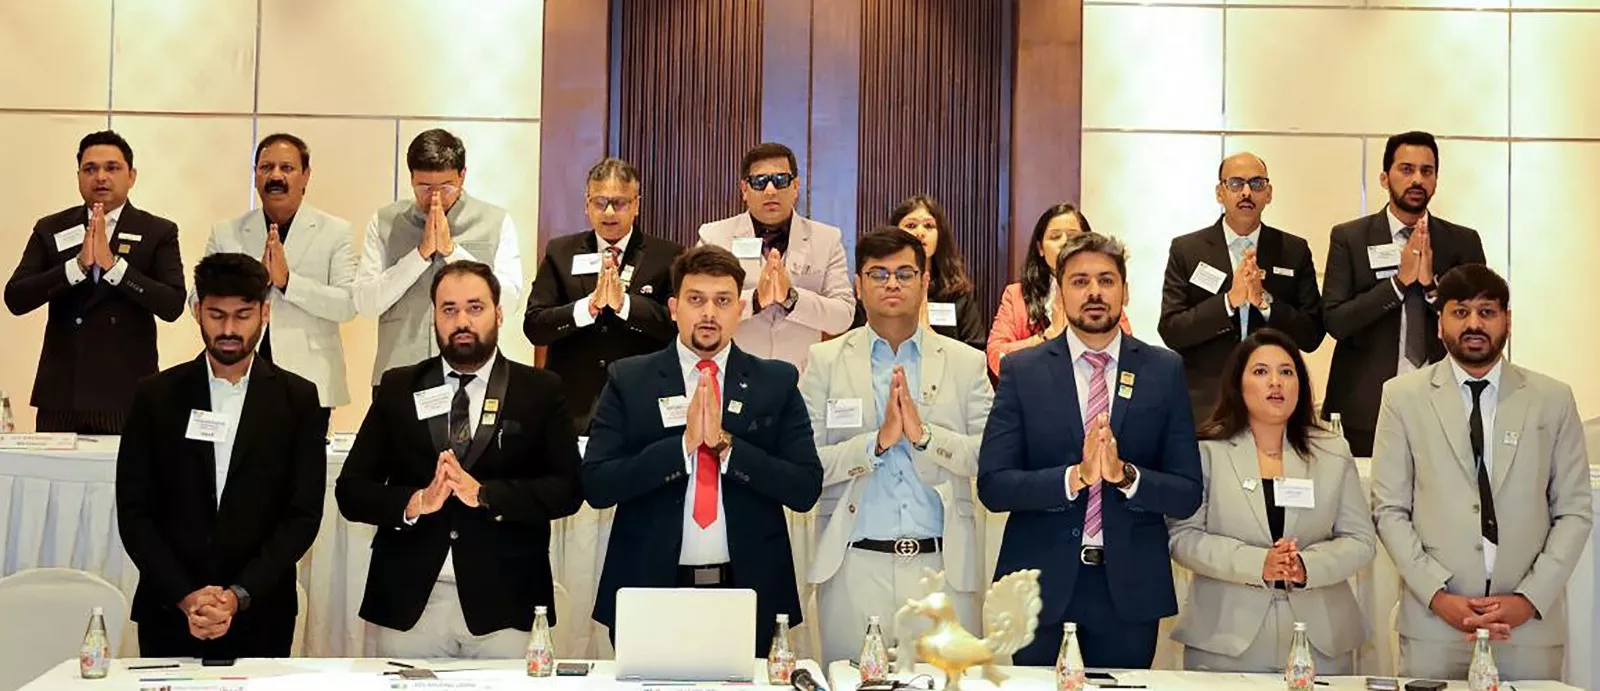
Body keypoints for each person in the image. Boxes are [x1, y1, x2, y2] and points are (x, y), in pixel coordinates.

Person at [336, 261, 583, 659]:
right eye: (449, 309)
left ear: (498, 313)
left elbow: (568, 490)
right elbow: (351, 491)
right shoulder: (399, 386)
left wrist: (485, 495)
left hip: (506, 600)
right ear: (434, 316)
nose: (462, 321)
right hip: (411, 601)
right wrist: (416, 502)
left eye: (475, 307)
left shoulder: (539, 389)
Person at [977, 231, 1201, 669]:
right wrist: (1074, 477)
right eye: (1080, 281)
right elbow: (994, 485)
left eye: (1106, 280)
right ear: (1060, 294)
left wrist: (1126, 477)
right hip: (1038, 590)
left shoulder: (1163, 370)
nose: (1094, 292)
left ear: (1125, 291)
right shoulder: (1023, 370)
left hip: (1129, 592)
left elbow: (1187, 492)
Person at [583, 245, 822, 656]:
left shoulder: (775, 382)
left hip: (749, 592)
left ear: (741, 310)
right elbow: (597, 484)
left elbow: (805, 488)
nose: (709, 313)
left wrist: (726, 447)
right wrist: (682, 447)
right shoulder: (630, 379)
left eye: (722, 301)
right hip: (649, 589)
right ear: (674, 308)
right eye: (696, 300)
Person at [1371, 264, 1592, 681]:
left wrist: (1529, 598)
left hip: (1526, 628)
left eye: (1487, 312)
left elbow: (1574, 511)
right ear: (1440, 324)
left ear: (1507, 320)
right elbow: (1389, 509)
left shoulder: (1552, 399)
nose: (1474, 324)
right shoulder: (1402, 398)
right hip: (1435, 626)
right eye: (1460, 312)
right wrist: (1438, 596)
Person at [116, 253, 327, 658]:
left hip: (261, 610)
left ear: (265, 312)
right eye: (216, 315)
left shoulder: (298, 398)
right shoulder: (155, 396)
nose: (229, 329)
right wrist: (186, 596)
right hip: (170, 610)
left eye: (242, 315)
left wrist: (237, 596)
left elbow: (302, 516)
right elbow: (135, 511)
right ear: (197, 311)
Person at [800, 228, 992, 663]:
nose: (892, 284)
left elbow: (988, 457)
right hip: (853, 566)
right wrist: (876, 443)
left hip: (941, 567)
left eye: (905, 274)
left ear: (925, 282)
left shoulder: (966, 363)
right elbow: (807, 464)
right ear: (858, 284)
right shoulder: (824, 361)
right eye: (878, 274)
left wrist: (925, 438)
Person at [1168, 328, 1374, 673]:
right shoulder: (1206, 451)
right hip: (1225, 640)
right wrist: (1258, 563)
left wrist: (1306, 566)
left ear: (1300, 385)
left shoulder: (1332, 450)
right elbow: (1183, 537)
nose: (1275, 382)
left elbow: (1361, 541)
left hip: (1320, 642)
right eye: (1261, 371)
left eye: (1286, 372)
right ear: (1238, 384)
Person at [4, 130, 185, 433]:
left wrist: (114, 268)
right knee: (51, 467)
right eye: (90, 169)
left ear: (132, 176)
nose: (100, 177)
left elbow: (172, 304)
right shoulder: (51, 228)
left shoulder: (157, 231)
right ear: (78, 176)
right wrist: (75, 268)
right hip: (62, 395)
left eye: (112, 168)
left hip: (126, 393)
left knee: (125, 467)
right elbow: (16, 297)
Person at [1322, 131, 1486, 456]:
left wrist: (1431, 287)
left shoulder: (1462, 242)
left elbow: (1478, 322)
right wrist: (1397, 284)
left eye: (1427, 171)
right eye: (1406, 169)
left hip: (1446, 405)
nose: (1417, 180)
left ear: (1436, 179)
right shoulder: (1350, 238)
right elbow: (1336, 321)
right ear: (1385, 178)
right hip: (1366, 407)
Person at [1158, 153, 1326, 424]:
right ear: (1220, 192)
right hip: (1207, 403)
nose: (1246, 192)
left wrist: (1265, 303)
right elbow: (1171, 329)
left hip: (1275, 402)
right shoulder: (1187, 250)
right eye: (1236, 183)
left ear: (1269, 194)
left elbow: (1312, 334)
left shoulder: (1293, 250)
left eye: (1257, 184)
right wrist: (1228, 302)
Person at [354, 128, 524, 388]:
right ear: (411, 178)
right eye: (424, 187)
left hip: (473, 374)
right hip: (399, 373)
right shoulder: (385, 222)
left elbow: (509, 301)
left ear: (462, 175)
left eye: (446, 187)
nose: (435, 197)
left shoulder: (495, 221)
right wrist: (419, 255)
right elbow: (366, 303)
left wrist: (451, 251)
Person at [525, 157, 682, 433]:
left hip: (641, 403)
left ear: (636, 205)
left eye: (619, 203)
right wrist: (587, 308)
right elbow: (535, 327)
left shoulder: (668, 256)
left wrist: (625, 305)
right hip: (573, 407)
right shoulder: (560, 252)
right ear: (586, 205)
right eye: (599, 202)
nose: (609, 212)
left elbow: (677, 328)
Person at [202, 133, 356, 410]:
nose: (275, 176)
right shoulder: (226, 232)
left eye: (286, 168)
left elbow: (347, 305)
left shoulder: (335, 231)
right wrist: (253, 286)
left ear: (306, 176)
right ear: (255, 176)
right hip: (236, 373)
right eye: (266, 167)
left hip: (311, 378)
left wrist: (288, 283)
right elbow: (197, 300)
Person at [696, 142, 853, 370]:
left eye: (780, 180)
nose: (770, 190)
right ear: (744, 189)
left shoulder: (826, 239)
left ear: (796, 186)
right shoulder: (714, 237)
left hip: (803, 376)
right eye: (759, 182)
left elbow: (843, 316)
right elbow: (698, 309)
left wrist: (792, 299)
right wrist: (755, 300)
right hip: (733, 373)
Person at [986, 204, 1130, 379]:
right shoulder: (1016, 294)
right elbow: (996, 357)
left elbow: (1127, 352)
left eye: (1073, 236)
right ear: (1040, 248)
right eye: (1055, 237)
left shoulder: (1098, 294)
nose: (1064, 243)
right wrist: (1048, 337)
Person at [847, 195, 985, 351]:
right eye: (911, 225)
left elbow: (976, 350)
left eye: (928, 226)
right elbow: (854, 345)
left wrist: (930, 339)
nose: (920, 233)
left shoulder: (956, 293)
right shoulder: (875, 285)